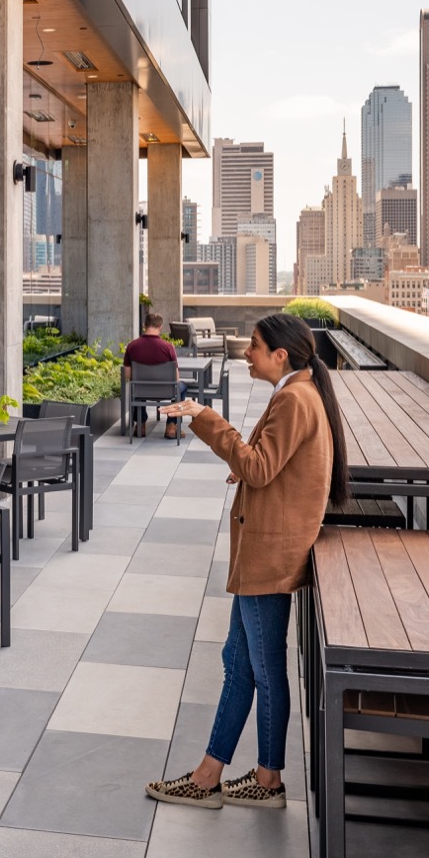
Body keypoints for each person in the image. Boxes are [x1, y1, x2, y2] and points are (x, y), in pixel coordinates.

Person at [144, 312, 347, 808]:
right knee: (239, 662)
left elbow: (258, 467)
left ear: (281, 355)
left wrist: (204, 418)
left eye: (255, 347)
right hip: (268, 548)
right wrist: (248, 463)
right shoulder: (298, 393)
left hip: (271, 552)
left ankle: (267, 779)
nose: (248, 353)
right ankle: (212, 774)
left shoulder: (296, 399)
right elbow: (271, 464)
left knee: (262, 667)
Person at [123, 311, 186, 439]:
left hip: (140, 390)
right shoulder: (168, 347)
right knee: (182, 387)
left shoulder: (132, 346)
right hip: (166, 391)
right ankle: (171, 426)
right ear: (160, 327)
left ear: (144, 325)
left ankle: (140, 424)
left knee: (135, 386)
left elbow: (128, 374)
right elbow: (176, 378)